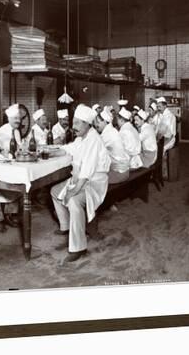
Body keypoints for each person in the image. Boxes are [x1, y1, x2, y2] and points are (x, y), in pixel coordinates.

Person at [50, 105, 111, 262]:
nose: (73, 127)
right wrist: (52, 151)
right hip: (83, 179)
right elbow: (69, 148)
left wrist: (74, 190)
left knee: (74, 200)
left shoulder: (94, 140)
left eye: (77, 123)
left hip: (95, 182)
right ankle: (66, 226)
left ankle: (79, 247)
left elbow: (87, 173)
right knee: (55, 191)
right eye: (73, 122)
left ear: (87, 124)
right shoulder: (81, 138)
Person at [0, 104, 22, 227]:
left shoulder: (16, 131)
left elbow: (19, 146)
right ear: (9, 119)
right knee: (12, 183)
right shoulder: (2, 131)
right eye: (15, 118)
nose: (18, 121)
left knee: (20, 182)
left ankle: (12, 213)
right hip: (2, 164)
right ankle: (7, 215)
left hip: (13, 162)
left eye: (19, 118)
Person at [93, 108, 130, 184]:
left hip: (119, 173)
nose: (96, 125)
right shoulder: (112, 130)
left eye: (97, 122)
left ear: (105, 122)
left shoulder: (107, 134)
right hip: (124, 169)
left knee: (91, 180)